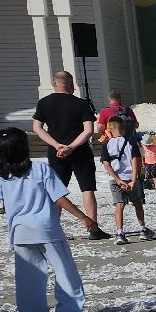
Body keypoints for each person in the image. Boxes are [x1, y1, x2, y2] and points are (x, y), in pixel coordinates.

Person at [0, 127, 96, 312]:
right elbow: (59, 197)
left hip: (20, 232)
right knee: (65, 270)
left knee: (29, 280)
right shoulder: (40, 169)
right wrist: (83, 217)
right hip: (46, 229)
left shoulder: (2, 176)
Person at [31, 71, 109, 240]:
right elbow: (89, 130)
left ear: (55, 84)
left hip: (56, 152)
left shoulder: (44, 103)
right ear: (71, 84)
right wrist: (72, 146)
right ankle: (93, 229)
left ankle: (54, 230)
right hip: (80, 151)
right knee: (87, 189)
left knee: (57, 192)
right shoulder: (81, 103)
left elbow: (36, 128)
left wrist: (56, 145)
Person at [99, 116, 156, 244]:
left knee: (119, 205)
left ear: (109, 128)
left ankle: (120, 233)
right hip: (130, 178)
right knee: (137, 203)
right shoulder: (131, 143)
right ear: (123, 128)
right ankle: (143, 230)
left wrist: (117, 180)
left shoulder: (106, 144)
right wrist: (133, 180)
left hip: (115, 180)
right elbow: (136, 162)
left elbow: (106, 163)